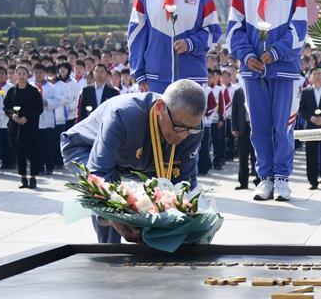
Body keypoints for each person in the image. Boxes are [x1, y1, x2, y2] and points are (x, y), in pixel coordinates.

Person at [61, 80, 205, 243]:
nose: (183, 135)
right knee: (114, 200)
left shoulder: (193, 129)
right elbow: (99, 175)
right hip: (85, 148)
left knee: (165, 205)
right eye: (178, 127)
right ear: (159, 108)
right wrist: (115, 218)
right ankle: (111, 253)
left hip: (138, 160)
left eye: (191, 129)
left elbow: (185, 183)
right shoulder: (122, 114)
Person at [226, 0, 307, 201]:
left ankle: (283, 177)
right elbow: (234, 27)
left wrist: (274, 53)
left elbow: (299, 29)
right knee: (258, 126)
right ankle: (265, 177)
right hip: (252, 70)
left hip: (283, 69)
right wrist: (247, 56)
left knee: (282, 125)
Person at [127, 0, 221, 94]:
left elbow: (214, 32)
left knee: (189, 119)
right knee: (157, 119)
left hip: (192, 78)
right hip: (154, 77)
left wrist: (191, 43)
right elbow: (135, 36)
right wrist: (139, 73)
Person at [3, 64, 43, 188]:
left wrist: (27, 117)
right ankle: (23, 178)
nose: (21, 76)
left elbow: (39, 108)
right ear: (16, 74)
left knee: (33, 153)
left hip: (30, 126)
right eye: (19, 73)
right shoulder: (11, 91)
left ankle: (33, 178)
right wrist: (12, 115)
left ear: (28, 75)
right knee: (20, 153)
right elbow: (7, 107)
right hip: (16, 127)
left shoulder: (33, 91)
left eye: (24, 74)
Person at [32, 63, 64, 175]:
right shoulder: (30, 87)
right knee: (37, 146)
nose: (39, 75)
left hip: (48, 121)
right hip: (34, 121)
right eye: (36, 72)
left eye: (41, 72)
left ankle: (49, 167)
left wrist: (47, 102)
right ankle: (39, 167)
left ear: (45, 74)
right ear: (33, 73)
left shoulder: (51, 87)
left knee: (48, 145)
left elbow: (58, 100)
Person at [231, 81, 258, 190]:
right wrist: (234, 128)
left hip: (256, 127)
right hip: (243, 127)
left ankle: (259, 180)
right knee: (242, 156)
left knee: (256, 155)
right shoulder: (239, 91)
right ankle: (243, 182)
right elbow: (234, 111)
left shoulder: (257, 90)